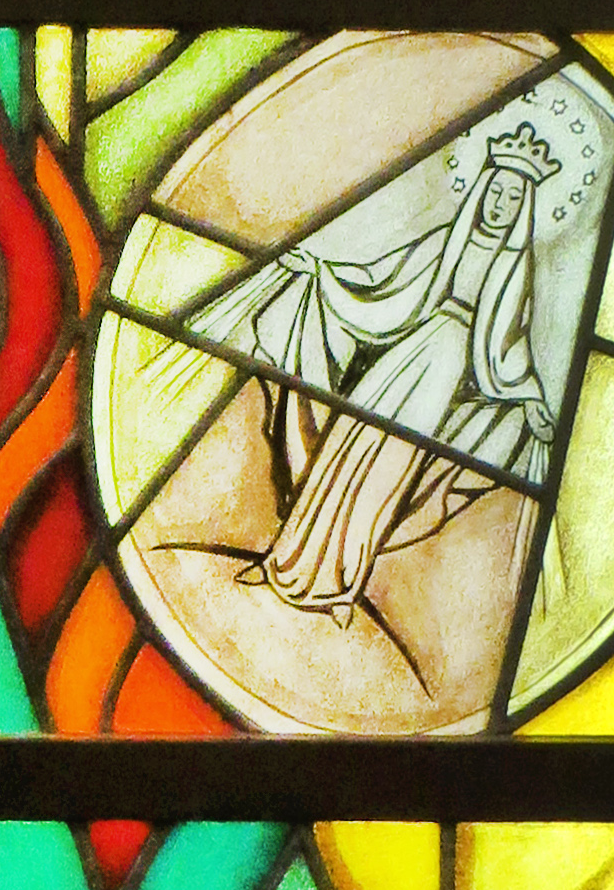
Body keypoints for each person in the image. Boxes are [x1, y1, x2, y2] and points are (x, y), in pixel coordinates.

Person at [208, 124, 562, 619]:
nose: (500, 204)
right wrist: (323, 274)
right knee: (343, 448)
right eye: (497, 190)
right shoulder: (446, 242)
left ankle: (340, 585)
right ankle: (283, 561)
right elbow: (383, 280)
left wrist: (530, 396)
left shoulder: (514, 271)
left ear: (524, 208)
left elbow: (510, 345)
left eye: (513, 197)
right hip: (404, 356)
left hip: (442, 373)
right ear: (483, 188)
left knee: (387, 473)